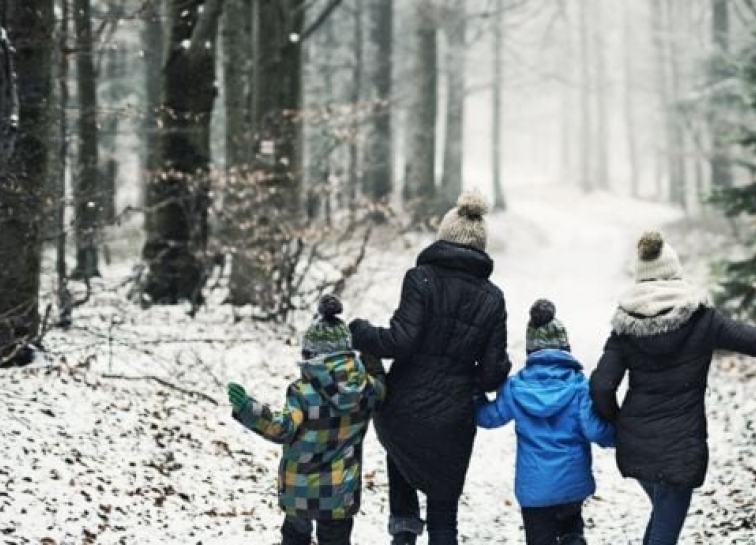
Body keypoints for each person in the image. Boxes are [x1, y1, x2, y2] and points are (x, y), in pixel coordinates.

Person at [589, 231, 756, 545]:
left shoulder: (624, 327)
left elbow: (601, 385)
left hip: (636, 443)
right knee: (666, 526)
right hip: (681, 445)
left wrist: (617, 422)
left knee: (663, 516)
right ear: (674, 270)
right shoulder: (702, 320)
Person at [349, 190, 512, 545]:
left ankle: (404, 533)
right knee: (444, 518)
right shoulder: (492, 297)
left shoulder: (420, 278)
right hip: (453, 419)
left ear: (443, 235)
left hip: (403, 406)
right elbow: (490, 374)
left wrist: (360, 332)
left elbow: (399, 341)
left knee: (403, 481)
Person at [226, 295, 386, 545]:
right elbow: (382, 388)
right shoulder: (366, 389)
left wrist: (248, 408)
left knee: (295, 537)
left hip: (299, 489)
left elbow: (281, 429)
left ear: (311, 354)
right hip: (339, 492)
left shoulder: (302, 392)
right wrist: (371, 359)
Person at [476, 300, 615, 545]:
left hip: (534, 491)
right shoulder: (579, 387)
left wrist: (473, 396)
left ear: (530, 351)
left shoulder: (515, 387)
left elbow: (489, 417)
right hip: (572, 485)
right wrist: (620, 433)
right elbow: (595, 430)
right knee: (571, 527)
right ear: (566, 348)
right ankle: (573, 538)